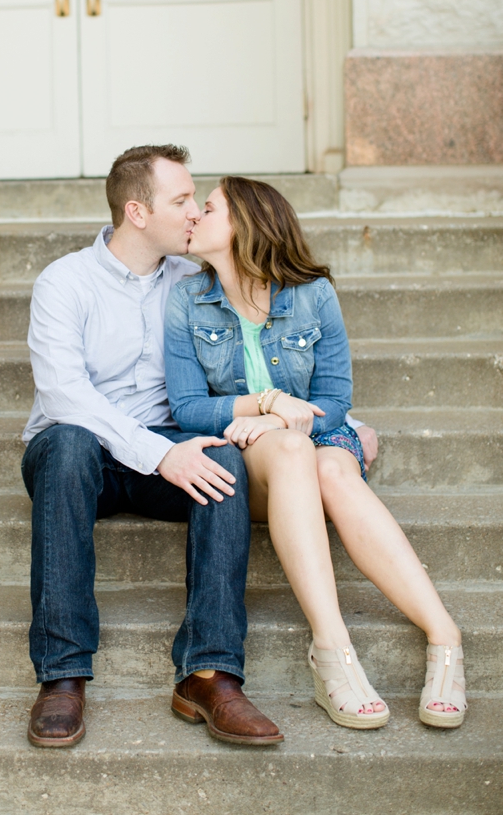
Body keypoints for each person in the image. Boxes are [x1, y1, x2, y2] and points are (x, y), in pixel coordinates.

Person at [164, 175, 466, 730]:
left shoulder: (313, 294)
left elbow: (333, 399)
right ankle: (332, 647)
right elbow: (185, 408)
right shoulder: (185, 300)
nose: (192, 218)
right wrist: (268, 410)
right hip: (258, 457)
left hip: (319, 440)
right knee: (291, 451)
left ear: (242, 226)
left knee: (326, 461)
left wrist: (281, 415)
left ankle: (444, 636)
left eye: (206, 209)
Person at [20, 144, 284, 748]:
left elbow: (259, 361)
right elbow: (63, 395)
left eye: (196, 199)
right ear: (137, 213)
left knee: (222, 458)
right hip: (75, 456)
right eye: (182, 200)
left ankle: (209, 673)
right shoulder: (65, 282)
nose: (196, 210)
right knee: (67, 445)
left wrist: (338, 423)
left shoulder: (196, 282)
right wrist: (159, 452)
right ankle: (62, 675)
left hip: (162, 453)